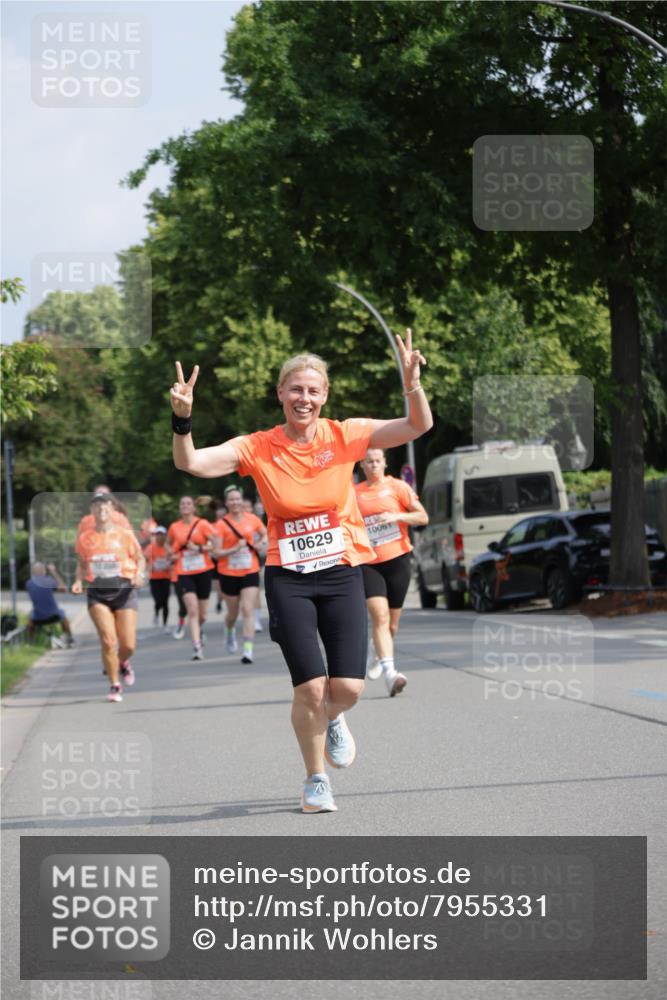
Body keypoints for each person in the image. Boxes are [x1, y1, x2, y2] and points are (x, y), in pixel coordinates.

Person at [170, 329, 432, 812]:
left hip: (342, 571)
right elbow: (191, 463)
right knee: (310, 687)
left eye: (313, 390)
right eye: (295, 389)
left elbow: (417, 425)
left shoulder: (345, 435)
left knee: (347, 689)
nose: (304, 398)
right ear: (280, 394)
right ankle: (315, 780)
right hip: (288, 576)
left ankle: (332, 718)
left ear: (324, 395)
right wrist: (182, 418)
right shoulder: (258, 446)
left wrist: (412, 384)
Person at [355, 449, 429, 695]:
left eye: (378, 461)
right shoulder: (354, 493)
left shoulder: (398, 487)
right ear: (362, 464)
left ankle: (377, 652)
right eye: (369, 461)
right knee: (380, 616)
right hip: (369, 563)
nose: (374, 465)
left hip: (398, 560)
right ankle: (391, 674)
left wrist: (396, 515)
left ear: (385, 463)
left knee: (392, 626)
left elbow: (422, 517)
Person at [71, 493, 145, 703]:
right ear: (92, 511)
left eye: (105, 506)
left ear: (112, 510)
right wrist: (78, 581)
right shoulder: (85, 538)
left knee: (128, 645)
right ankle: (114, 684)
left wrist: (139, 574)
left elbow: (140, 558)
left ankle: (121, 662)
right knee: (108, 640)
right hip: (98, 591)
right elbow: (82, 564)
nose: (101, 509)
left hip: (124, 590)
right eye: (97, 506)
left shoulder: (125, 534)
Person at [211, 485, 268, 663]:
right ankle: (229, 631)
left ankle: (248, 650)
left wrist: (261, 543)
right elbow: (216, 553)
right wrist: (234, 549)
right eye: (231, 499)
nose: (235, 502)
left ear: (241, 501)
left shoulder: (252, 519)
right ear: (227, 503)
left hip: (250, 570)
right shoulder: (220, 525)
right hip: (228, 573)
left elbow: (266, 533)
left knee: (247, 609)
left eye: (237, 499)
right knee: (232, 614)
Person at [166, 496, 215, 660]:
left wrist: (199, 548)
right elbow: (167, 544)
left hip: (203, 571)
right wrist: (171, 554)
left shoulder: (203, 524)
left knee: (203, 615)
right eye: (182, 503)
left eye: (188, 503)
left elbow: (214, 544)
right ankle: (196, 646)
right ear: (179, 508)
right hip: (184, 572)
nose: (185, 506)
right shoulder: (174, 527)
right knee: (192, 610)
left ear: (194, 508)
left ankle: (199, 630)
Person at [25, 562, 75, 646]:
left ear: (33, 572)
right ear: (43, 571)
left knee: (30, 620)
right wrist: (53, 571)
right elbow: (63, 588)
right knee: (64, 617)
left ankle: (30, 642)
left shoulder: (28, 583)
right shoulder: (49, 580)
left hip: (37, 617)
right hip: (54, 615)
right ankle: (70, 639)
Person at [146, 526, 171, 629]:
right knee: (158, 600)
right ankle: (156, 614)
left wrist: (168, 564)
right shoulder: (150, 548)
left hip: (166, 577)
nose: (159, 536)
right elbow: (146, 560)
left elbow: (173, 559)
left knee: (165, 602)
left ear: (165, 536)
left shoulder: (168, 548)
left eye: (161, 534)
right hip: (154, 578)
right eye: (157, 534)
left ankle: (165, 624)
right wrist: (150, 566)